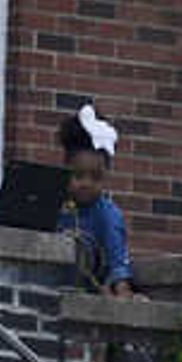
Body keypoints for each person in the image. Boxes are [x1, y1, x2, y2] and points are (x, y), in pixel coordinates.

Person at [58, 103, 137, 295]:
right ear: (66, 171)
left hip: (91, 289)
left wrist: (122, 291)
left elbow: (117, 260)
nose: (86, 183)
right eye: (78, 176)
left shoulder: (107, 215)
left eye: (95, 177)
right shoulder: (55, 206)